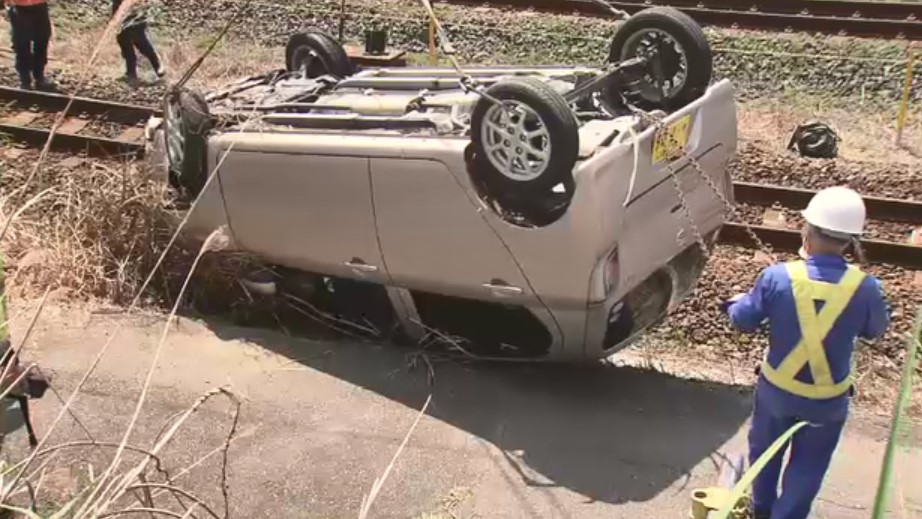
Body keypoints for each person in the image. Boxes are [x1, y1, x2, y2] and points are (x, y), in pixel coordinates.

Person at [723, 186, 890, 519]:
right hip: (828, 401)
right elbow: (875, 331)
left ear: (807, 231)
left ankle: (761, 510)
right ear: (850, 242)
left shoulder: (777, 278)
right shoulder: (867, 288)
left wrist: (734, 303)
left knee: (765, 457)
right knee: (808, 469)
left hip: (777, 393)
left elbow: (743, 319)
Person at [3, 0, 54, 90]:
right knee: (21, 44)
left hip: (39, 6)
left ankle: (39, 77)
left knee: (42, 40)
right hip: (19, 7)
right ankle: (25, 81)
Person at [112, 0, 164, 87]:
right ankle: (131, 74)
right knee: (126, 47)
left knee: (141, 43)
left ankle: (158, 68)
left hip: (135, 15)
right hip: (122, 16)